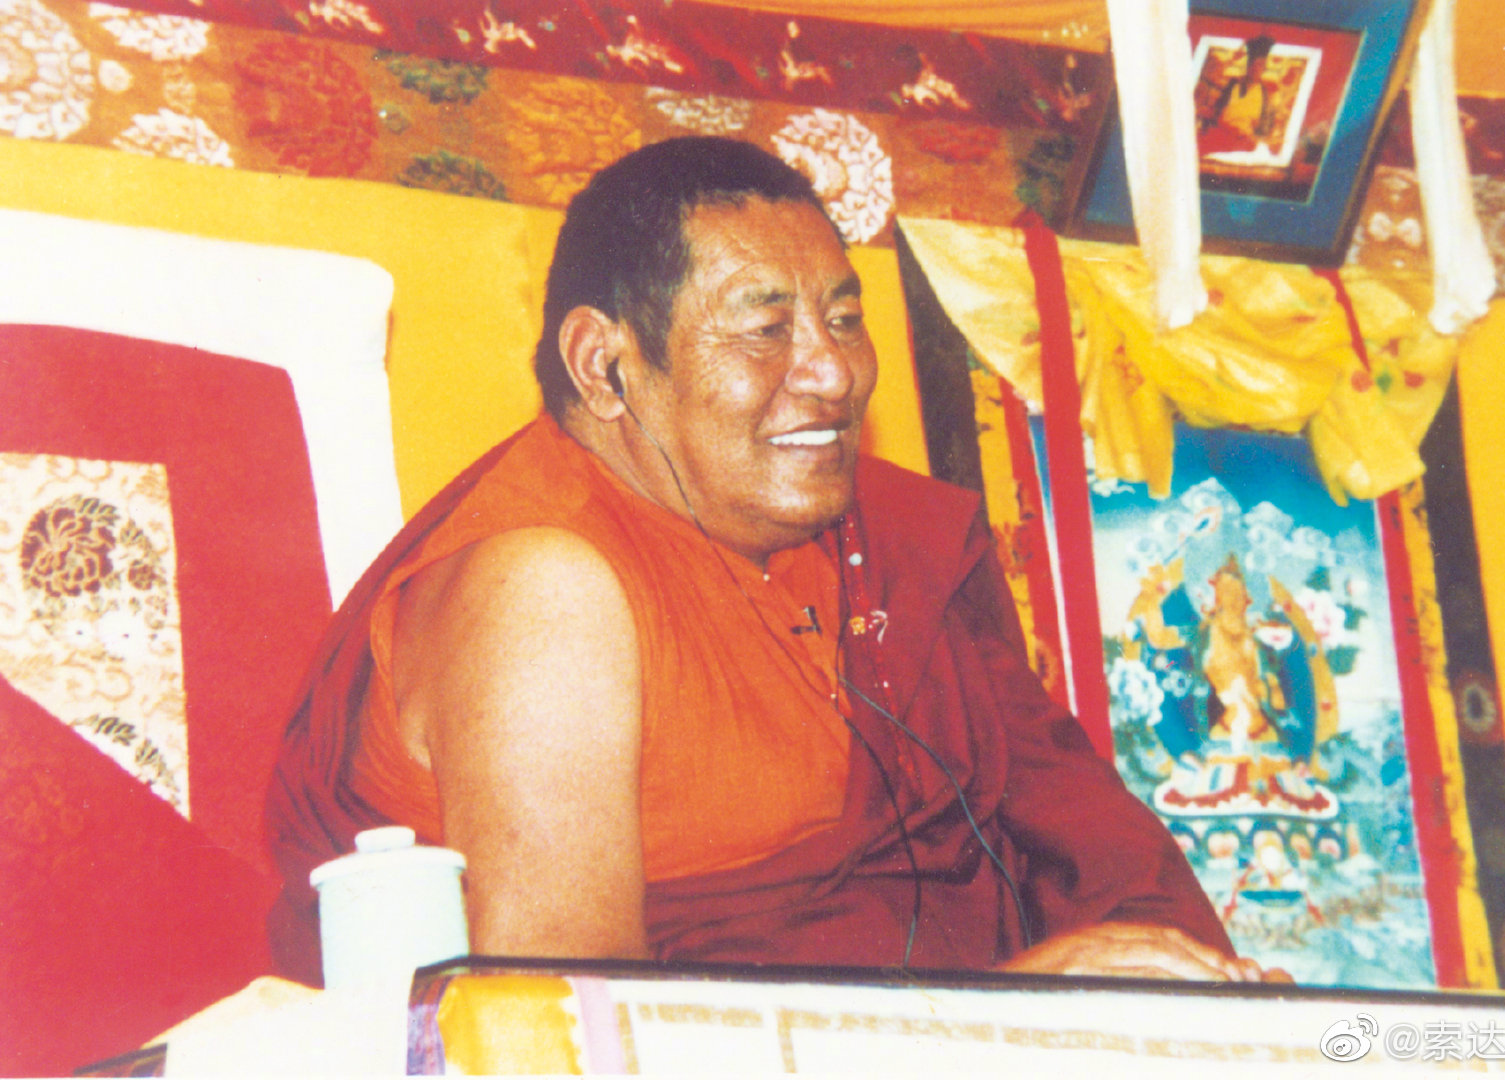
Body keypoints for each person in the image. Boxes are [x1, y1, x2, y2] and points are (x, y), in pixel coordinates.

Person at [266, 136, 1270, 986]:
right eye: (766, 328)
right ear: (604, 365)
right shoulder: (543, 588)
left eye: (843, 319)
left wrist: (1176, 999)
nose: (833, 371)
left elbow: (1083, 841)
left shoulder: (883, 541)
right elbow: (571, 1032)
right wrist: (1017, 1014)